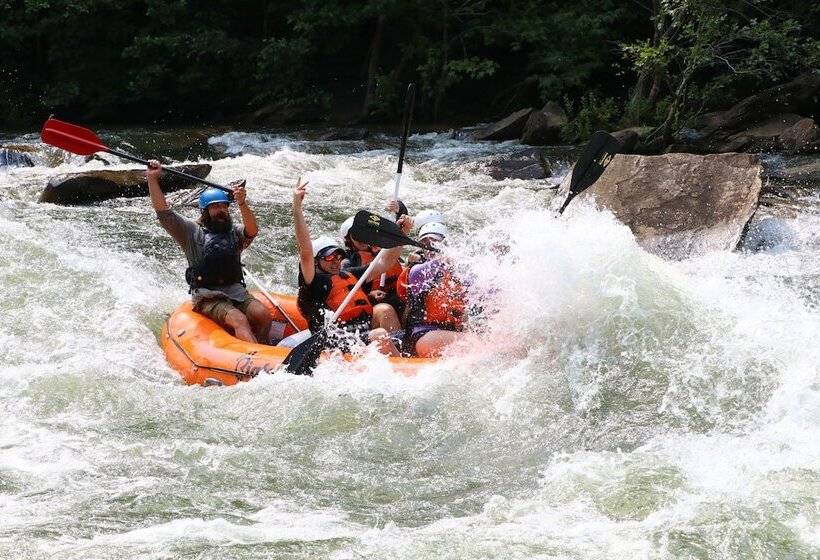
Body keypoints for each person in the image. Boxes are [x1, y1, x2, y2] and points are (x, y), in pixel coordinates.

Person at [146, 161, 272, 343]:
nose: (221, 210)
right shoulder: (190, 232)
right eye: (215, 207)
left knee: (262, 314)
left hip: (235, 290)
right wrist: (152, 179)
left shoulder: (233, 232)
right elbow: (164, 213)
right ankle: (255, 363)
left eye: (224, 206)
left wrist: (242, 203)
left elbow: (252, 231)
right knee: (239, 320)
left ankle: (265, 350)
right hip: (207, 296)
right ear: (205, 211)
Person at [292, 177, 407, 356]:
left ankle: (404, 356)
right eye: (329, 257)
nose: (336, 261)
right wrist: (297, 208)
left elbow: (386, 261)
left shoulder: (349, 274)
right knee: (380, 335)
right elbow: (305, 251)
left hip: (360, 332)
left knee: (384, 310)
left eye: (338, 256)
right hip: (334, 338)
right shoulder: (313, 282)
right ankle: (401, 367)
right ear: (316, 261)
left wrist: (402, 234)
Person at [402, 222, 471, 357]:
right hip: (424, 335)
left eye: (434, 241)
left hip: (449, 333)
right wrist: (451, 257)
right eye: (425, 243)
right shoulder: (418, 271)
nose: (429, 246)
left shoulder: (459, 272)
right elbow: (437, 265)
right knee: (429, 342)